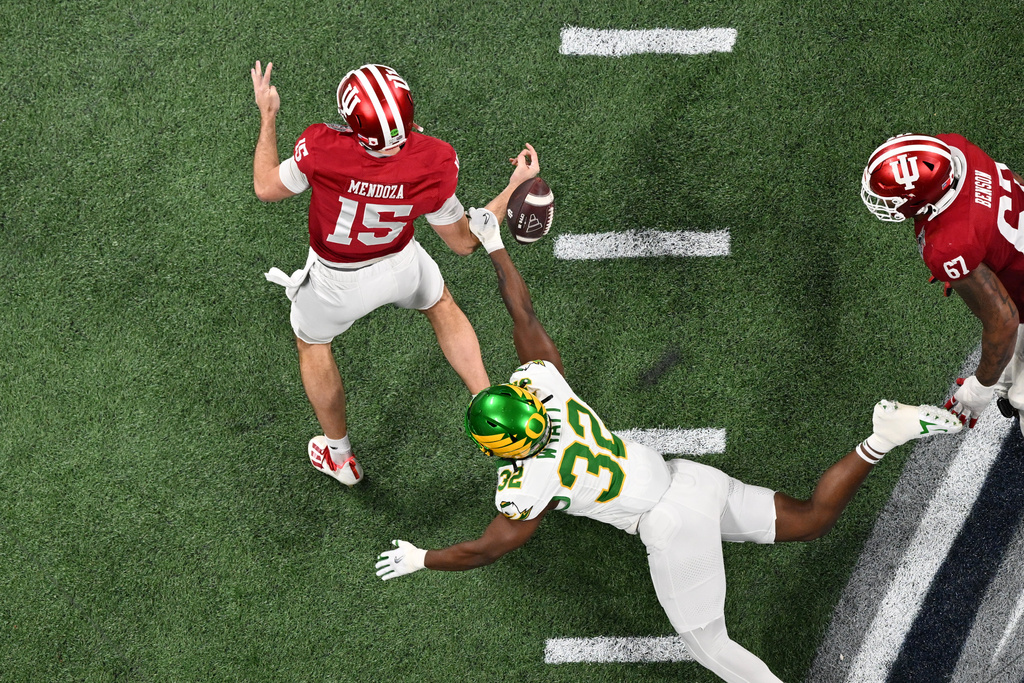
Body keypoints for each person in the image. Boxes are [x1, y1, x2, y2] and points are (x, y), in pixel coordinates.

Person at [373, 184, 963, 683]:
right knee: (810, 519)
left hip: (670, 525)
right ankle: (881, 437)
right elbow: (523, 317)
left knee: (713, 648)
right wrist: (499, 247)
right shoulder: (545, 387)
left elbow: (487, 548)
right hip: (691, 479)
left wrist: (423, 557)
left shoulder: (526, 483)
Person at [250, 60, 538, 485]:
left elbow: (266, 187)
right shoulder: (435, 158)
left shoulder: (322, 146)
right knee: (441, 304)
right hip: (402, 261)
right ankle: (494, 415)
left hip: (336, 280)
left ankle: (340, 457)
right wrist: (514, 187)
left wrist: (268, 116)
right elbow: (463, 241)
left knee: (314, 344)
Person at [861, 133, 1024, 429]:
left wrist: (979, 388)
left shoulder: (950, 245)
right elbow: (1014, 183)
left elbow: (1004, 323)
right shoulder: (956, 149)